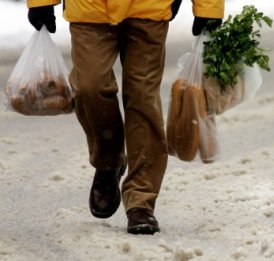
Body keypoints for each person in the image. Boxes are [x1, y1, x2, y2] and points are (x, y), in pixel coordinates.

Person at [26, 0, 223, 235]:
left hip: (149, 8)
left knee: (143, 98)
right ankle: (108, 162)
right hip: (89, 8)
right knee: (89, 88)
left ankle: (141, 200)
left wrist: (208, 8)